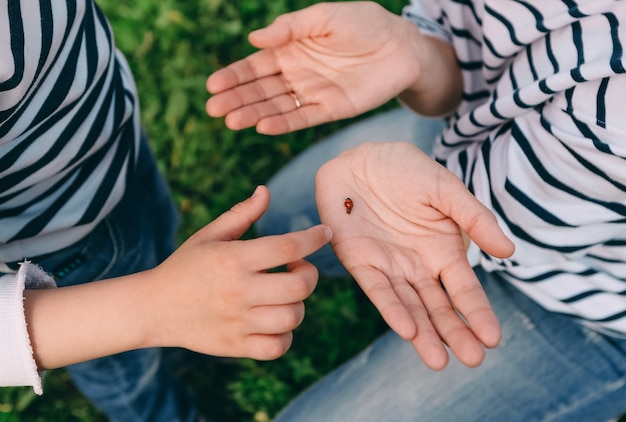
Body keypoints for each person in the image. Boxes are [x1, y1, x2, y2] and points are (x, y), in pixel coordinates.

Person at [206, 0, 626, 420]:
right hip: (486, 128)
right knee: (282, 219)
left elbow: (517, 223)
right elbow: (473, 32)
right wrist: (418, 53)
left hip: (589, 291)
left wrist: (436, 202)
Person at [0, 1, 331, 421]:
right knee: (127, 374)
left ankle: (185, 341)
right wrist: (155, 307)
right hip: (62, 253)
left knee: (160, 244)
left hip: (116, 148)